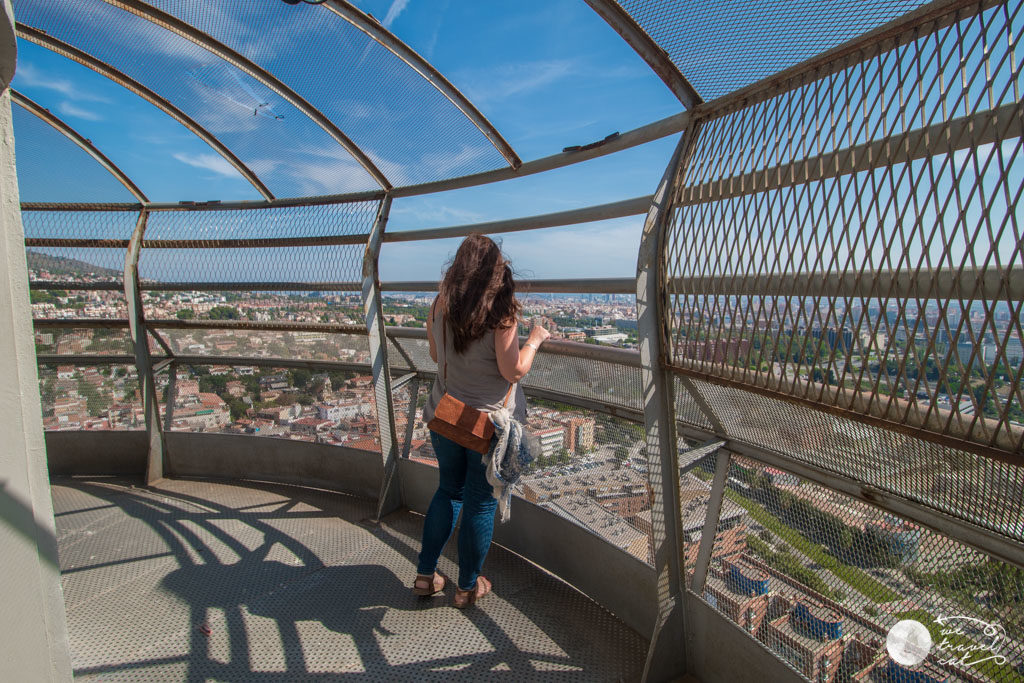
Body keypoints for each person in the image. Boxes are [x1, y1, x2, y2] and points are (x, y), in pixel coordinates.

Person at [413, 234, 550, 608]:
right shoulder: (501, 314)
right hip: (486, 427)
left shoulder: (440, 304)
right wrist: (535, 339)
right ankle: (467, 586)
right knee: (480, 503)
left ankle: (426, 575)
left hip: (446, 413)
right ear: (495, 270)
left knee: (448, 492)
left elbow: (434, 352)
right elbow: (514, 371)